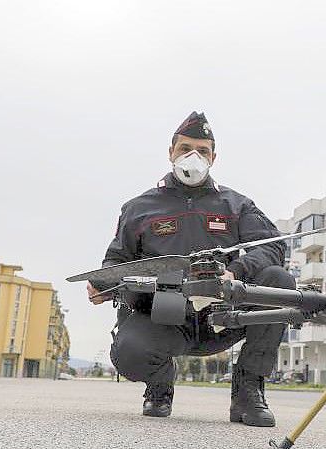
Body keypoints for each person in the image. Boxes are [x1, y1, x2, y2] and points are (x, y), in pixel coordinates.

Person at [86, 111, 293, 427]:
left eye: (203, 150)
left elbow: (275, 245)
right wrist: (103, 284)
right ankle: (159, 385)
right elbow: (116, 261)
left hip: (225, 315)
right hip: (165, 318)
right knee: (129, 353)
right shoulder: (138, 208)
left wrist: (235, 271)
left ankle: (248, 391)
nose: (193, 156)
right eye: (185, 149)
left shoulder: (237, 205)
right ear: (171, 152)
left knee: (279, 280)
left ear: (214, 157)